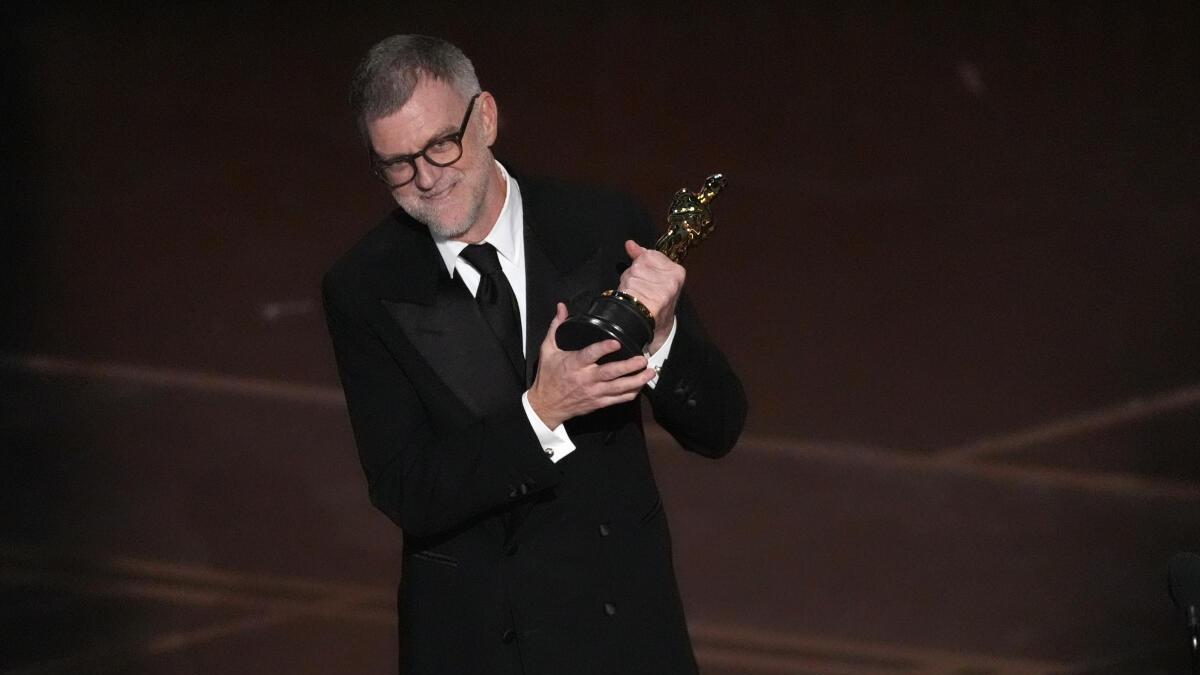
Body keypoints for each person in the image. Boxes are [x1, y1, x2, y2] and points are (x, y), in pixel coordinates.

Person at [322, 34, 747, 675]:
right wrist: (540, 412)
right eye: (397, 164)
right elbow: (407, 489)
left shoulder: (600, 224)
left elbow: (718, 427)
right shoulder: (366, 286)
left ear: (486, 116)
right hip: (480, 643)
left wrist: (662, 338)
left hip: (622, 635)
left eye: (440, 144)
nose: (426, 178)